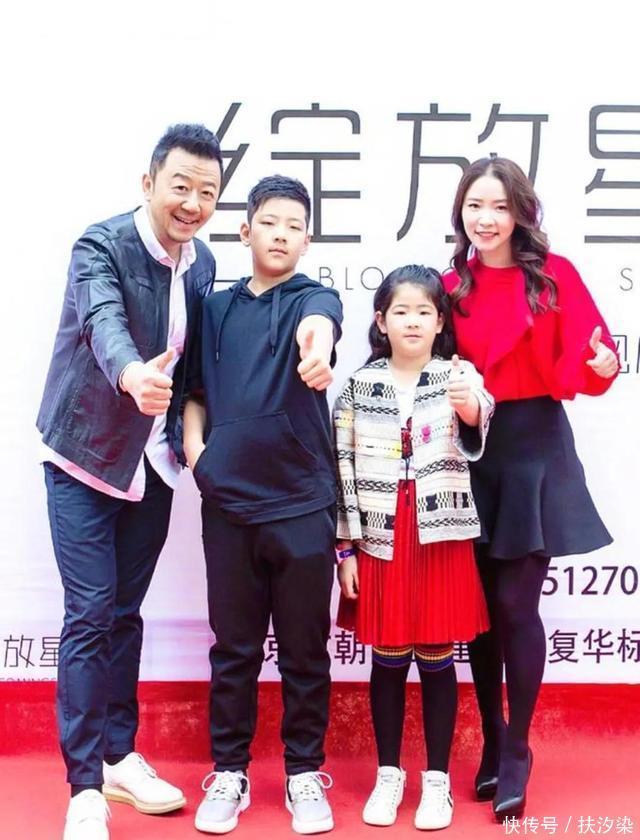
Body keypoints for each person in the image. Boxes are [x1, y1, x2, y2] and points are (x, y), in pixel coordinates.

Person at [37, 123, 223, 840]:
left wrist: (190, 435)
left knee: (123, 613)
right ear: (148, 184)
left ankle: (118, 755)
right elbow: (102, 321)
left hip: (153, 463)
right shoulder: (101, 245)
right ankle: (84, 786)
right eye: (180, 186)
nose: (193, 203)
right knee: (90, 615)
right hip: (85, 458)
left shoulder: (202, 263)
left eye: (207, 191)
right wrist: (131, 374)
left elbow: (196, 360)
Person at [444, 157, 619, 821]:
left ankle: (517, 746)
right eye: (474, 206)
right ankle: (492, 738)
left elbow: (592, 360)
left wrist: (603, 364)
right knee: (481, 613)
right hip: (469, 451)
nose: (485, 219)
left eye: (498, 206)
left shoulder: (554, 276)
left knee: (517, 606)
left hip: (534, 448)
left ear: (521, 212)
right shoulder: (450, 285)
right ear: (461, 213)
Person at [183, 175, 343, 835]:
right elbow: (194, 392)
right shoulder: (213, 308)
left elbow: (320, 327)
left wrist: (319, 350)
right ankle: (230, 772)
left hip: (302, 503)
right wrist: (199, 455)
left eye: (294, 226)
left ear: (308, 240)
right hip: (227, 505)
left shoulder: (315, 298)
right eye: (269, 222)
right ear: (245, 230)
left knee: (306, 650)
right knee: (234, 649)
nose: (281, 235)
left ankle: (304, 773)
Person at [334, 264, 495, 831]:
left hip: (440, 531)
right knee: (387, 660)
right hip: (380, 534)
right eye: (400, 311)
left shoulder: (458, 375)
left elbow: (479, 419)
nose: (412, 321)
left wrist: (469, 404)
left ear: (440, 321)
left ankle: (437, 781)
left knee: (436, 659)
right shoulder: (358, 385)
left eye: (424, 311)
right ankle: (388, 774)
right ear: (381, 321)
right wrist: (345, 551)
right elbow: (341, 468)